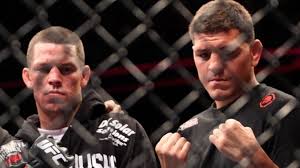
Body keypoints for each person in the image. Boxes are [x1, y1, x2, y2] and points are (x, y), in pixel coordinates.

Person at [155, 0, 300, 168]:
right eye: (203, 54)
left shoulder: (285, 110)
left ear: (254, 52)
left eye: (228, 52)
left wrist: (256, 161)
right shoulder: (187, 133)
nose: (214, 66)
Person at [0, 26, 158, 168]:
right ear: (28, 78)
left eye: (66, 69)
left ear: (84, 76)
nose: (54, 78)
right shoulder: (13, 154)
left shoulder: (121, 133)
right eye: (44, 69)